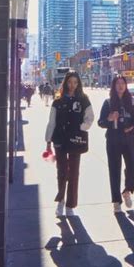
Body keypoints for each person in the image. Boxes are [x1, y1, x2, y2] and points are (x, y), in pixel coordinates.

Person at [44, 72, 94, 216]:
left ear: (78, 84)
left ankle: (70, 205)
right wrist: (48, 141)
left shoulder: (83, 99)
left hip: (76, 140)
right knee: (62, 171)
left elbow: (90, 117)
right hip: (60, 139)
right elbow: (51, 122)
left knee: (73, 172)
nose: (72, 85)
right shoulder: (57, 101)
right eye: (70, 82)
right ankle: (60, 201)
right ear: (65, 83)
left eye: (75, 82)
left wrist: (81, 128)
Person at [98, 75, 134, 213]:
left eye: (123, 83)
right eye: (118, 84)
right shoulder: (108, 102)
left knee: (133, 166)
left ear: (126, 85)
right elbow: (101, 122)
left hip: (128, 140)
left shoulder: (132, 101)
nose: (120, 86)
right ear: (114, 86)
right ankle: (116, 201)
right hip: (113, 140)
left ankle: (127, 190)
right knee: (114, 170)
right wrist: (109, 119)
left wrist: (132, 128)